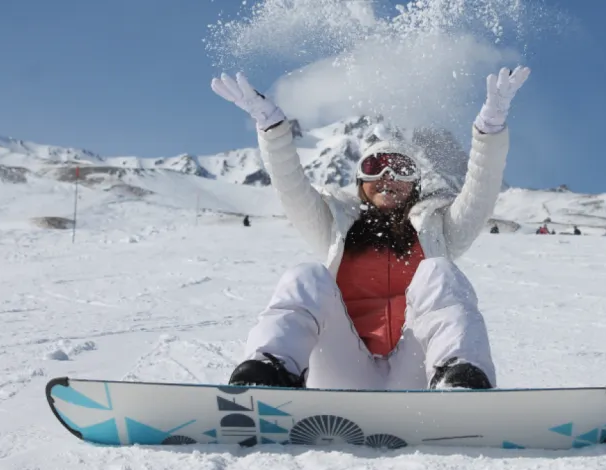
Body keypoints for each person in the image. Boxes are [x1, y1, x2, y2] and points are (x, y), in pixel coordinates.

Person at [210, 65, 531, 390]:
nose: (388, 178)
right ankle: (269, 375)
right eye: (375, 168)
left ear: (415, 186)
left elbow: (480, 190)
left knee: (440, 271)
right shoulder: (335, 226)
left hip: (415, 372)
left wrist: (489, 131)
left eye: (402, 170)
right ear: (361, 183)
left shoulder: (439, 231)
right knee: (306, 276)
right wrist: (272, 127)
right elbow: (290, 183)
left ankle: (459, 381)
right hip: (344, 368)